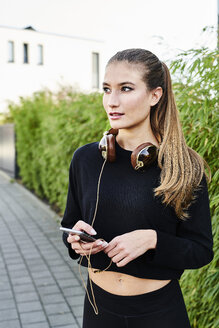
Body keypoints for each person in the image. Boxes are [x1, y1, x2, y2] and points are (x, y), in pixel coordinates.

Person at [61, 48, 214, 328]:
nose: (112, 101)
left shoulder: (184, 166)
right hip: (98, 309)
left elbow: (201, 250)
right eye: (107, 89)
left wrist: (152, 239)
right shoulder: (85, 159)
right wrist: (76, 240)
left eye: (126, 88)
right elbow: (70, 226)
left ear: (155, 95)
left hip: (159, 313)